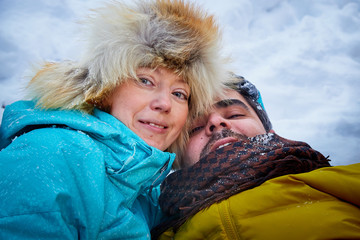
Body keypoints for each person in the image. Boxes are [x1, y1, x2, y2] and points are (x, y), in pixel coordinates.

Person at [0, 0, 228, 239]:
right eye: (145, 81)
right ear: (107, 87)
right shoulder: (57, 154)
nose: (165, 104)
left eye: (179, 94)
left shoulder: (147, 192)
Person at [152, 74, 360, 240]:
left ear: (268, 131)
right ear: (176, 156)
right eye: (195, 127)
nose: (216, 121)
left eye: (235, 114)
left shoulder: (343, 184)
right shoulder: (149, 225)